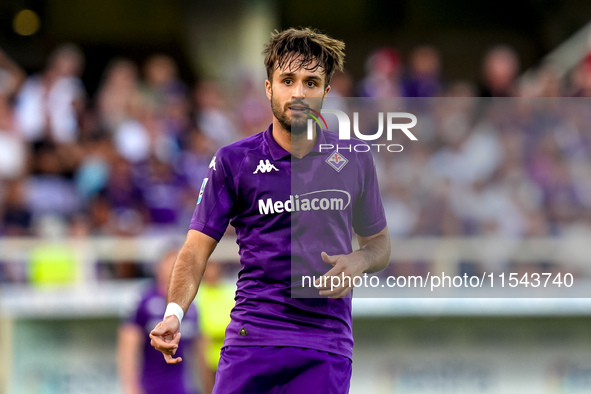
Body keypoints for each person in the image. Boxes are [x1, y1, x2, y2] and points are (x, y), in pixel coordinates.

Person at [150, 27, 391, 393]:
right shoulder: (234, 161)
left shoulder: (354, 159)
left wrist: (359, 261)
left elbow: (380, 246)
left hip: (324, 345)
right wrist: (173, 313)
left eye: (311, 83)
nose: (298, 93)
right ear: (268, 88)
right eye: (287, 80)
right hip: (252, 340)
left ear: (326, 92)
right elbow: (195, 249)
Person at [118, 249, 206, 394]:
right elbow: (128, 346)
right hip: (150, 387)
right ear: (158, 267)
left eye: (179, 263)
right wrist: (131, 387)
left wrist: (207, 386)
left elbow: (199, 351)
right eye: (171, 262)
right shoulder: (143, 300)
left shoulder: (192, 307)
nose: (175, 267)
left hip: (183, 388)